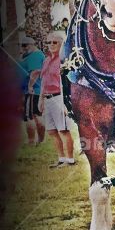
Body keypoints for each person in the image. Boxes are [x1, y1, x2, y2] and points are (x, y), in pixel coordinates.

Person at [28, 31, 75, 167]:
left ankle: (70, 160)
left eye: (55, 42)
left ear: (61, 43)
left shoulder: (64, 61)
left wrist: (66, 102)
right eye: (49, 42)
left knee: (63, 130)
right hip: (47, 98)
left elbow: (68, 82)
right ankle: (61, 158)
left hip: (59, 97)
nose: (51, 45)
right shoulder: (46, 60)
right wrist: (41, 99)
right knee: (52, 131)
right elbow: (43, 81)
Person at [17, 36, 44, 147]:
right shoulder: (33, 55)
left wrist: (29, 86)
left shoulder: (35, 55)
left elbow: (35, 72)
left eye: (25, 45)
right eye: (21, 45)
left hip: (32, 90)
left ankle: (31, 141)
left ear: (32, 45)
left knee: (30, 116)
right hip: (35, 90)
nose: (23, 48)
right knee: (36, 115)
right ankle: (40, 140)